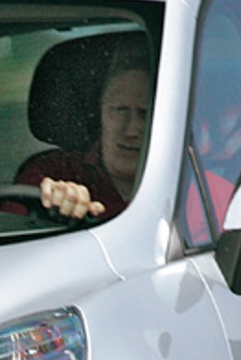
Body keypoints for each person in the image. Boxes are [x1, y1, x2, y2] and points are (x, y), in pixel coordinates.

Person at [11, 36, 152, 221]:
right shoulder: (52, 171)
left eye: (145, 114)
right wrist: (54, 203)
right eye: (119, 110)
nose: (131, 130)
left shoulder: (191, 180)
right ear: (99, 112)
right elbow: (5, 238)